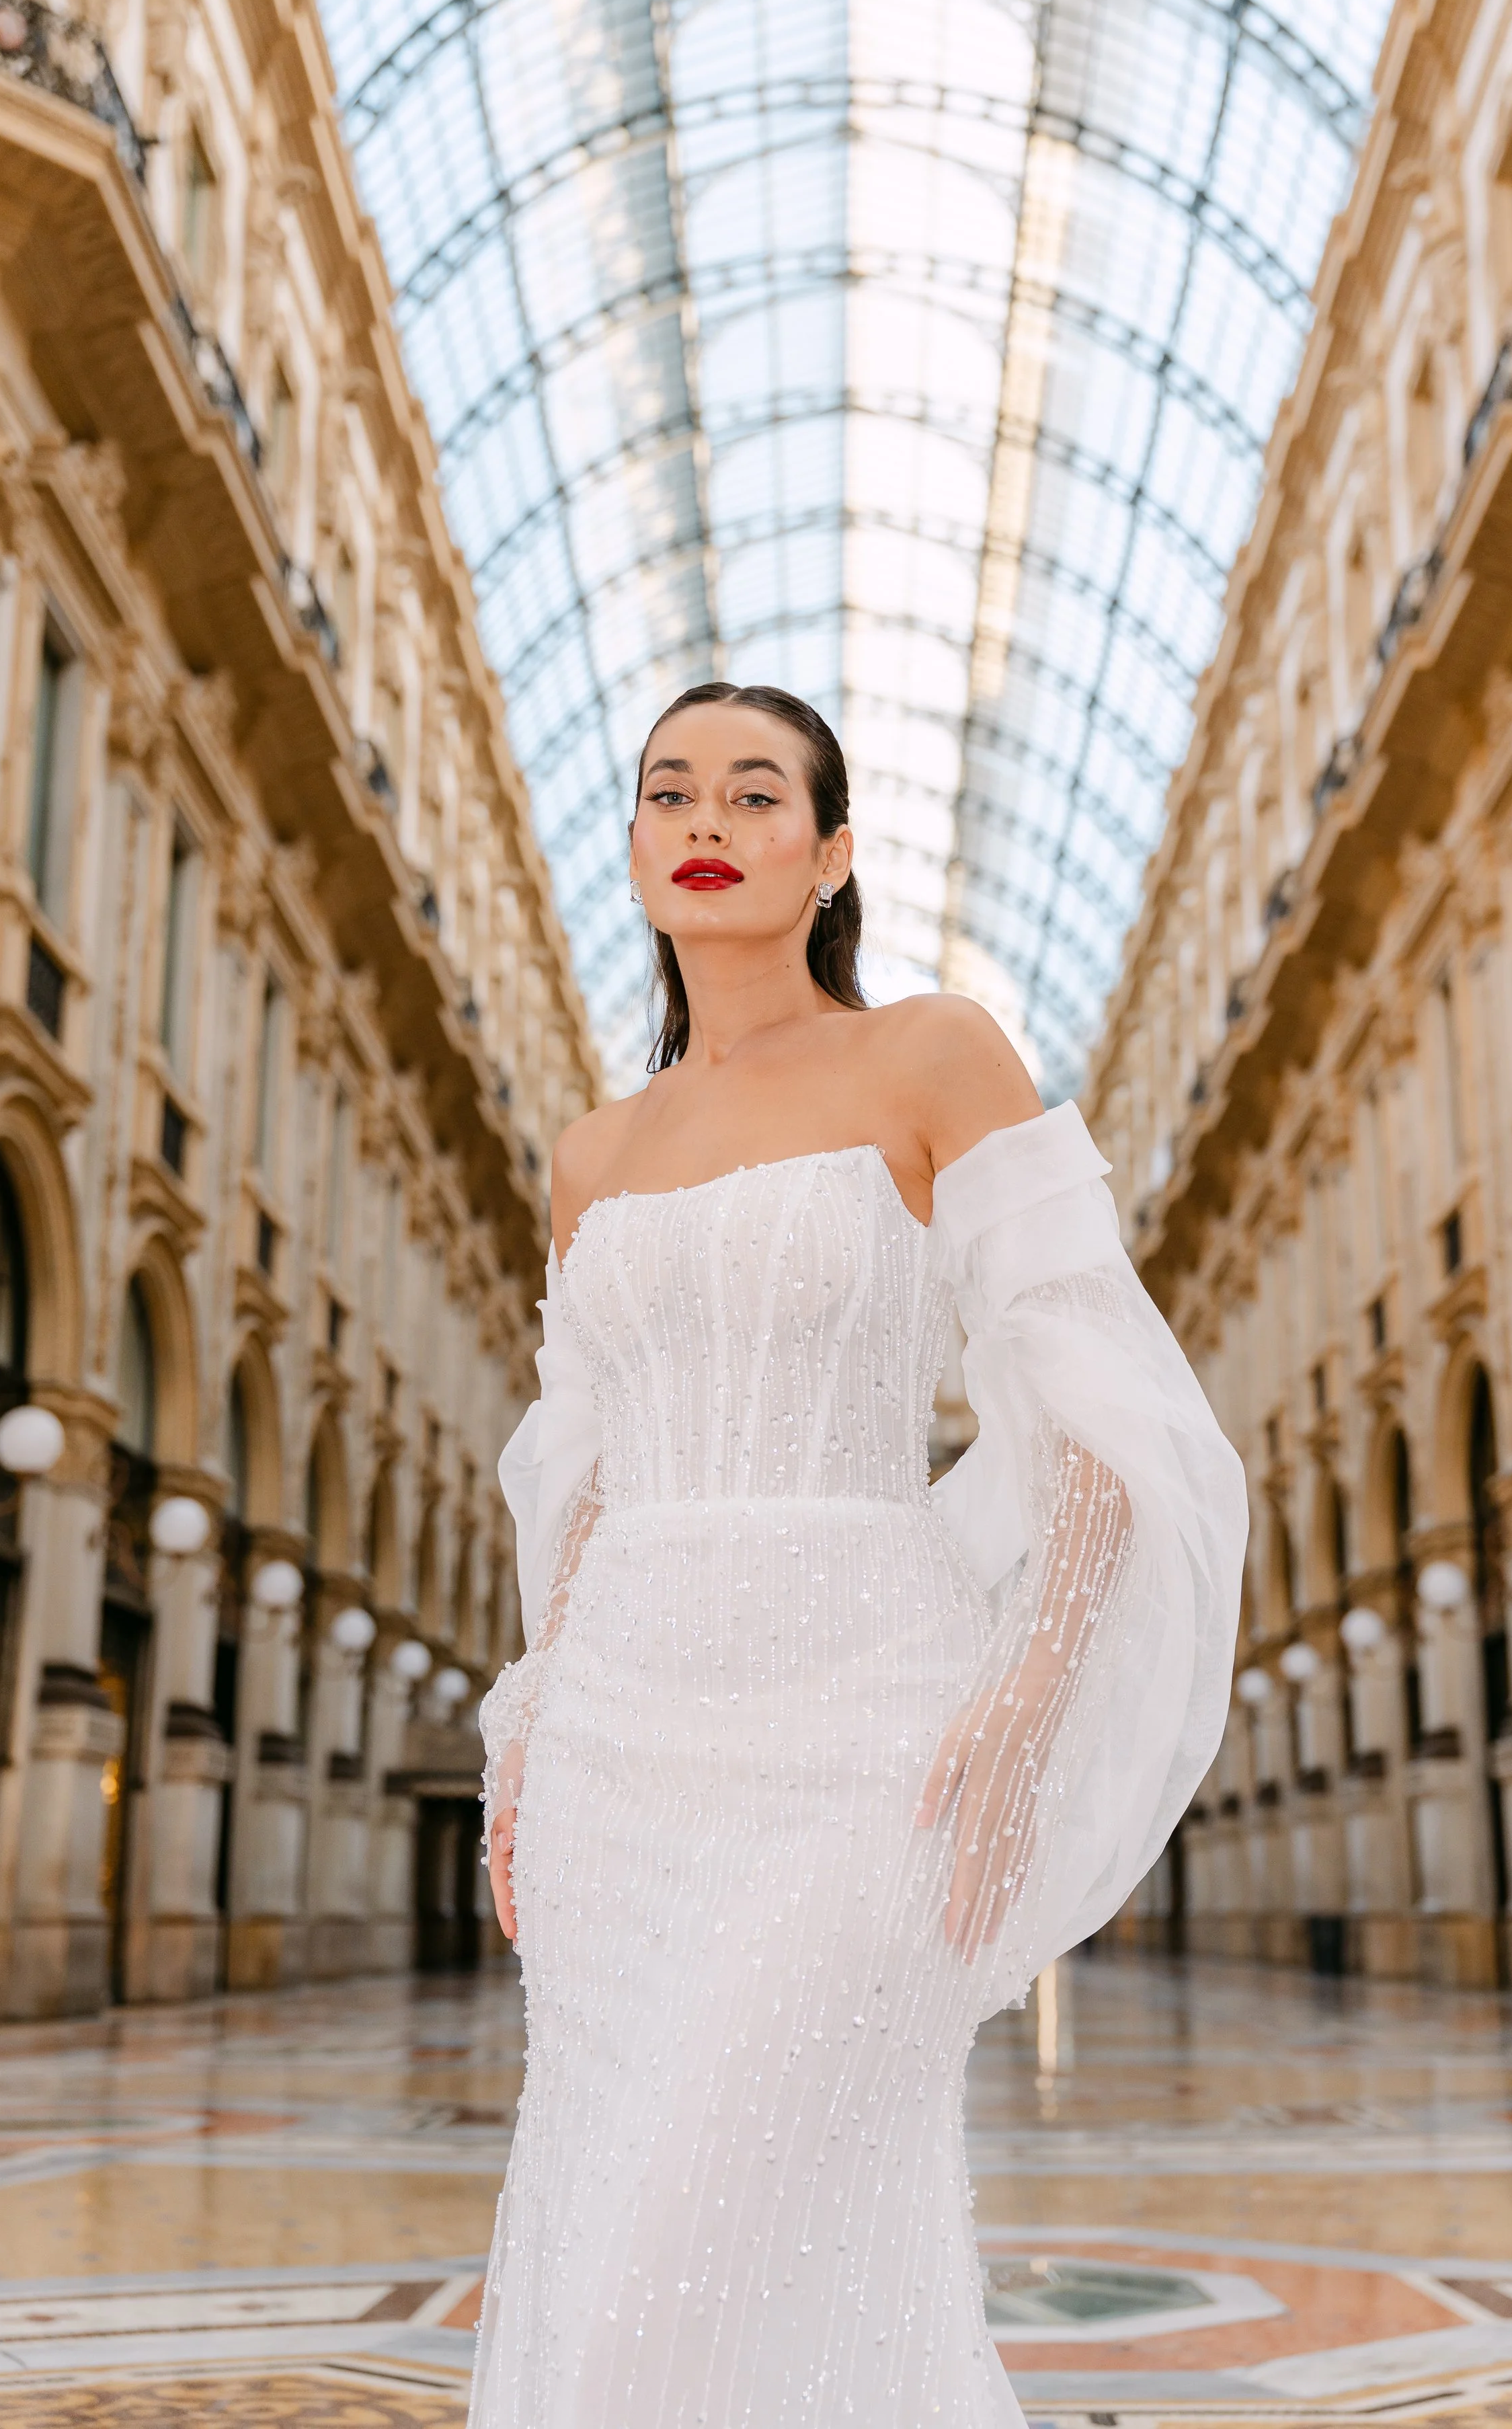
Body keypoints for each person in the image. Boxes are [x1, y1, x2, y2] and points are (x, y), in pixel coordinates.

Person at [471, 682, 1246, 2428]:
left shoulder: (933, 1055)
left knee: (767, 2189)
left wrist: (1022, 1693)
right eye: (672, 788)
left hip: (861, 1730)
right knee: (606, 2209)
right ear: (636, 848)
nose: (709, 819)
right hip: (617, 1748)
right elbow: (579, 1473)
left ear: (829, 853)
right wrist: (527, 1726)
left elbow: (1090, 1399)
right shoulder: (592, 1152)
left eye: (757, 793)